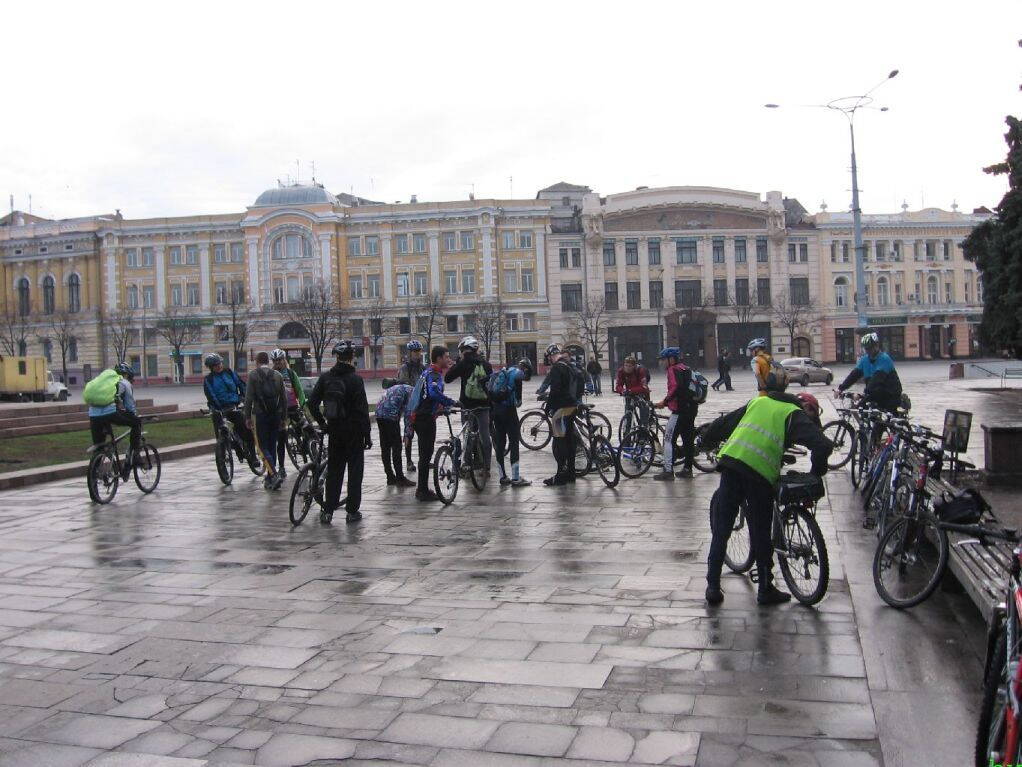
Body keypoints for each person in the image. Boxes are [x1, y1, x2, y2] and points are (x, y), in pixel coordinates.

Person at [699, 367, 833, 606]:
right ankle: (765, 588)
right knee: (761, 531)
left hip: (731, 466)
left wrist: (705, 440)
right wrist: (816, 473)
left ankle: (712, 586)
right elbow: (822, 444)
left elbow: (724, 424)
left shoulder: (757, 403)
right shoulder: (792, 412)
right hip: (759, 475)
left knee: (722, 529)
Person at [308, 340, 371, 522]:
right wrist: (367, 435)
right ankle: (352, 511)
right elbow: (362, 410)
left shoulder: (326, 378)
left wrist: (323, 423)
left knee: (334, 471)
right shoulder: (356, 380)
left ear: (337, 357)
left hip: (334, 430)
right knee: (355, 472)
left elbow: (312, 404)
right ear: (351, 357)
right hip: (354, 432)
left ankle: (328, 511)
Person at [411, 345, 456, 502]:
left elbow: (427, 395)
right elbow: (433, 393)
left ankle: (422, 488)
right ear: (438, 358)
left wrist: (441, 406)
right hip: (425, 418)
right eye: (446, 356)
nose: (448, 359)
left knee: (424, 454)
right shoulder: (434, 374)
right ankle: (422, 491)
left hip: (420, 416)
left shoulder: (428, 372)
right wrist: (450, 402)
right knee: (425, 455)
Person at [444, 336, 493, 474]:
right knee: (485, 436)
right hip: (484, 406)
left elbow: (447, 378)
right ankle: (486, 467)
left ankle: (466, 464)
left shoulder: (463, 363)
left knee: (468, 434)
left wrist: (457, 364)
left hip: (467, 406)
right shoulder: (486, 364)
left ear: (464, 350)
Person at [202, 353, 257, 469]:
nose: (219, 366)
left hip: (233, 405)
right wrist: (218, 407)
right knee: (221, 434)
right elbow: (211, 395)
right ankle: (223, 461)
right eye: (215, 365)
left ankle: (253, 457)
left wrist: (244, 397)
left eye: (220, 363)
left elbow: (241, 385)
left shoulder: (229, 373)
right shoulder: (208, 379)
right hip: (218, 409)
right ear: (211, 367)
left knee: (246, 429)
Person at [88, 361, 142, 481]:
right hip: (110, 413)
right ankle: (135, 455)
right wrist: (134, 416)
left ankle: (94, 480)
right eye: (131, 378)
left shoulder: (104, 380)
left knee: (99, 447)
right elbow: (130, 406)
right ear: (127, 375)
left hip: (93, 415)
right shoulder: (124, 382)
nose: (131, 380)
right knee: (136, 423)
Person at [653, 347, 698, 480]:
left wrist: (665, 401)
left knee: (668, 439)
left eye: (663, 359)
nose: (662, 362)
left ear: (671, 359)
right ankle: (687, 469)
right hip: (691, 409)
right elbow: (684, 390)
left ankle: (668, 470)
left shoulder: (673, 369)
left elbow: (676, 388)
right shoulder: (686, 368)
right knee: (688, 440)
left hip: (679, 411)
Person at [245, 351, 287, 490]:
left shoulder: (253, 375)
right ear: (268, 361)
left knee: (262, 447)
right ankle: (269, 478)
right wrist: (283, 418)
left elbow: (248, 398)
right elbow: (284, 399)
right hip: (276, 415)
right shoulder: (278, 375)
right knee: (272, 445)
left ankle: (274, 474)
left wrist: (247, 417)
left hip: (260, 415)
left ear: (257, 362)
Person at [543, 344, 582, 486]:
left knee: (560, 441)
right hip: (572, 406)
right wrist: (576, 399)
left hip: (561, 409)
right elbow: (581, 380)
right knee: (570, 440)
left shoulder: (557, 368)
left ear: (550, 356)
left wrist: (548, 408)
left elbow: (555, 390)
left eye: (548, 357)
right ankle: (571, 473)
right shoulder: (569, 365)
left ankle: (560, 475)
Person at [836, 332, 903, 413]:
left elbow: (877, 379)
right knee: (859, 409)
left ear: (876, 345)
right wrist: (841, 388)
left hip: (890, 394)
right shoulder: (864, 360)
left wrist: (864, 393)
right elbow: (854, 375)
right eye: (866, 348)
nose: (868, 351)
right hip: (875, 393)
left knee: (885, 417)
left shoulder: (884, 359)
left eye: (870, 348)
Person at [491, 358, 533, 487]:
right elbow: (518, 402)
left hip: (496, 410)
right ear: (525, 369)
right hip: (509, 411)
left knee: (500, 443)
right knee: (514, 442)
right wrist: (517, 398)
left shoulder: (506, 371)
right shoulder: (518, 373)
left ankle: (503, 477)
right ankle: (515, 478)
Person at [270, 348, 308, 478]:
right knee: (281, 439)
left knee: (306, 427)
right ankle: (281, 467)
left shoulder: (291, 373)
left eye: (280, 360)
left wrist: (302, 404)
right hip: (280, 410)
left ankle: (305, 447)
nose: (278, 362)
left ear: (284, 360)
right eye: (275, 361)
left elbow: (299, 390)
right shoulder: (271, 375)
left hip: (293, 406)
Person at [375, 379, 415, 487]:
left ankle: (390, 477)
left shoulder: (399, 388)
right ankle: (400, 478)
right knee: (396, 447)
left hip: (379, 414)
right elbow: (408, 414)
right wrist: (407, 435)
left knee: (385, 447)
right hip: (390, 416)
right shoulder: (413, 393)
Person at [397, 340, 426, 474]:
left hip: (422, 406)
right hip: (409, 407)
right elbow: (402, 385)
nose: (417, 354)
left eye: (419, 351)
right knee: (409, 433)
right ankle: (408, 461)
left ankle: (423, 459)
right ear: (409, 353)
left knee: (423, 434)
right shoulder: (405, 368)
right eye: (414, 351)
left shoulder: (423, 368)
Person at [614, 355, 652, 428]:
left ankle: (644, 429)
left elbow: (643, 387)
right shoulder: (621, 371)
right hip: (629, 393)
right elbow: (618, 385)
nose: (627, 368)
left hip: (642, 393)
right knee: (628, 412)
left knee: (644, 411)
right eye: (626, 365)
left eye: (630, 366)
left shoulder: (640, 370)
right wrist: (622, 391)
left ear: (634, 366)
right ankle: (627, 431)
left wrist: (631, 390)